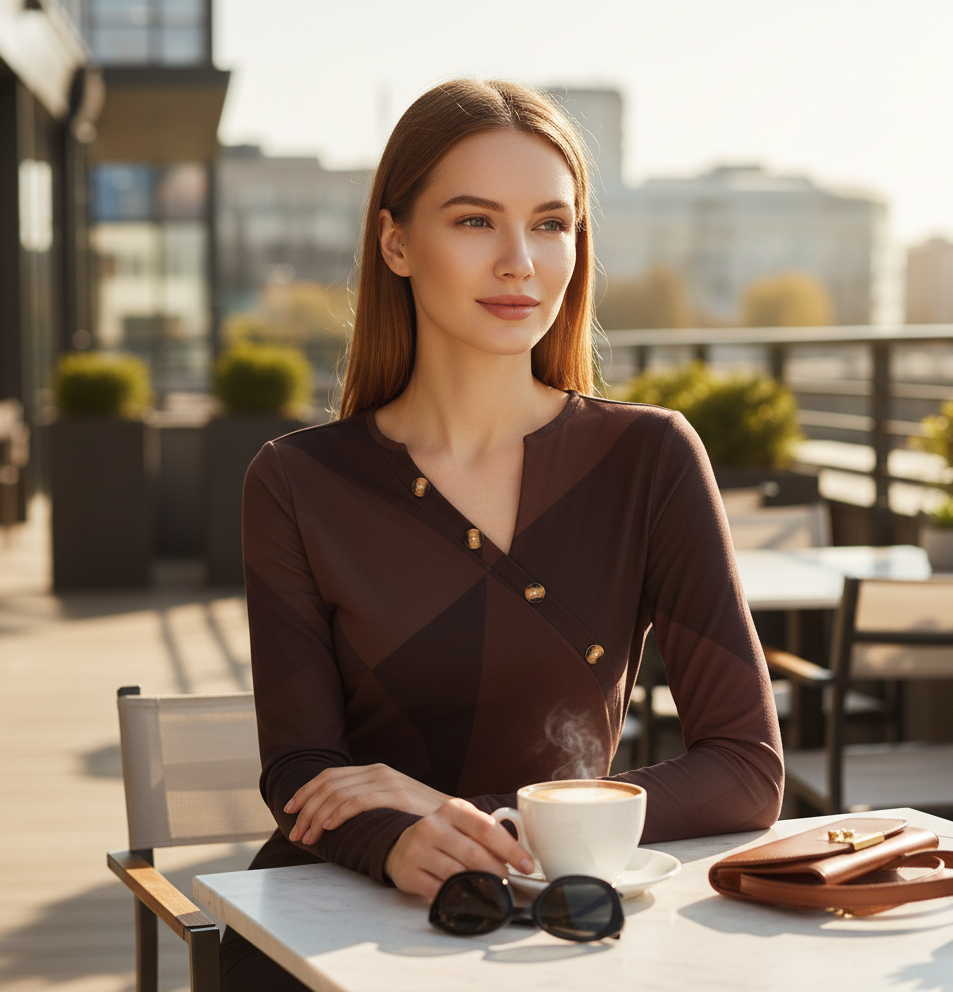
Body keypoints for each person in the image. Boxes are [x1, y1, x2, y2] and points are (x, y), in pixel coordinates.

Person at [222, 78, 783, 989]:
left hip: (553, 922)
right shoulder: (297, 482)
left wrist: (466, 820)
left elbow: (747, 771)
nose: (521, 260)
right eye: (476, 221)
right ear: (397, 242)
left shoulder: (650, 459)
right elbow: (301, 769)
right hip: (338, 923)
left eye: (552, 223)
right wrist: (395, 838)